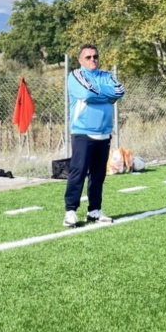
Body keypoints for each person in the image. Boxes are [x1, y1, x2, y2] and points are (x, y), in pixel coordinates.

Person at [63, 44, 125, 227]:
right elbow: (86, 93)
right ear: (80, 60)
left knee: (98, 174)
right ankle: (70, 211)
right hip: (83, 131)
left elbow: (119, 91)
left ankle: (94, 210)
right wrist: (106, 94)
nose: (92, 60)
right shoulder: (75, 75)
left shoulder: (106, 75)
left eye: (95, 56)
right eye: (88, 57)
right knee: (78, 172)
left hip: (104, 133)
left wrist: (96, 90)